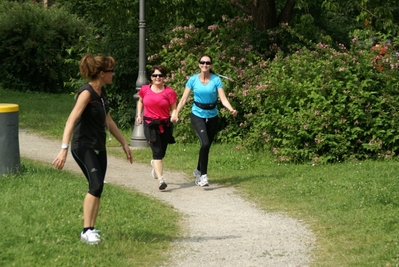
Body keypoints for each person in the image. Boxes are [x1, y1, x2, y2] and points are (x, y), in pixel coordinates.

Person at [52, 54, 133, 244]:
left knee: (98, 187)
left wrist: (123, 142)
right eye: (111, 71)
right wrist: (63, 148)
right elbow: (71, 120)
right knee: (95, 185)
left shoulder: (101, 93)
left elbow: (108, 120)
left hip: (98, 146)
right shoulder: (86, 93)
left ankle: (92, 228)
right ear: (103, 73)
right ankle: (86, 230)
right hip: (83, 146)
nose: (114, 74)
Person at [171, 55, 237, 187]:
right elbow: (184, 99)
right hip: (197, 114)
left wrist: (231, 109)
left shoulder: (216, 80)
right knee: (205, 143)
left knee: (206, 145)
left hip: (212, 115)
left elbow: (223, 99)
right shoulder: (193, 80)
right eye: (202, 62)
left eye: (207, 63)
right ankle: (203, 176)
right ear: (199, 64)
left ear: (211, 65)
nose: (205, 65)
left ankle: (198, 169)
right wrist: (176, 113)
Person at [136, 65, 177, 190]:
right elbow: (140, 101)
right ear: (151, 77)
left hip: (164, 125)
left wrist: (175, 116)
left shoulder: (170, 92)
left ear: (164, 77)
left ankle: (155, 165)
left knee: (162, 152)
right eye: (155, 75)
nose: (157, 78)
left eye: (160, 75)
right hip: (150, 125)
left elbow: (174, 108)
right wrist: (139, 114)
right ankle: (161, 180)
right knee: (157, 152)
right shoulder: (145, 89)